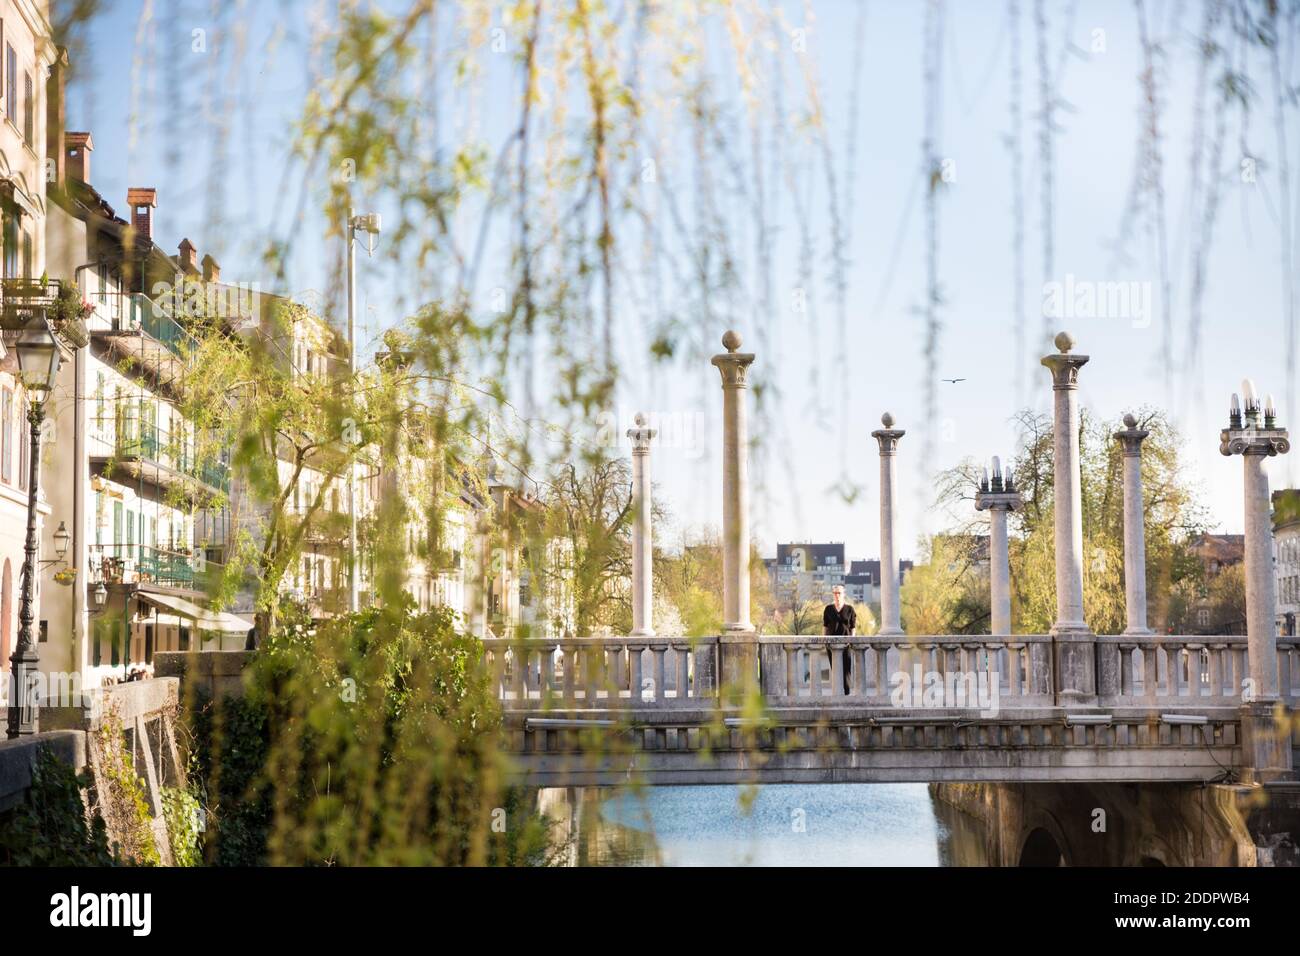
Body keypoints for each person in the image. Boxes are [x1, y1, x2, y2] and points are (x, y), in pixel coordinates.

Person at [822, 584, 856, 694]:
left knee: (846, 669)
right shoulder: (828, 609)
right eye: (835, 593)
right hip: (831, 644)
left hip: (846, 643)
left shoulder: (850, 609)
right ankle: (837, 692)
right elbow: (825, 626)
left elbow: (853, 627)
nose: (837, 595)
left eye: (839, 593)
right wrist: (824, 641)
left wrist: (852, 641)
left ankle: (846, 692)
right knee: (835, 668)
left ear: (843, 594)